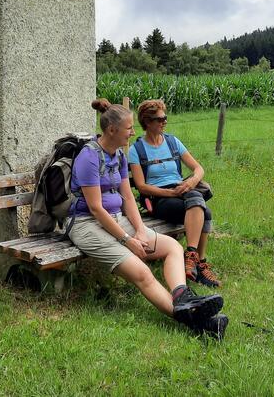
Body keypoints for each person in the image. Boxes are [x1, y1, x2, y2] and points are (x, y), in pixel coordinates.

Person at [65, 98, 228, 339]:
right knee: (142, 272)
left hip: (116, 219)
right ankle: (196, 321)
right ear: (112, 130)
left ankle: (182, 297)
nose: (132, 132)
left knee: (172, 246)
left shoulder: (119, 156)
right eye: (129, 128)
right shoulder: (89, 157)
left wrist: (140, 230)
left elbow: (129, 197)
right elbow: (96, 209)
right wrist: (127, 240)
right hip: (86, 225)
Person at [129, 99, 222, 288]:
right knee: (204, 210)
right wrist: (171, 193)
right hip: (158, 198)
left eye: (165, 117)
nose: (164, 122)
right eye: (160, 119)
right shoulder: (136, 150)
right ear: (147, 122)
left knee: (200, 205)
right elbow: (141, 187)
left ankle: (192, 259)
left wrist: (190, 182)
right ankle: (198, 262)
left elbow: (198, 168)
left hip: (183, 191)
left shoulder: (172, 142)